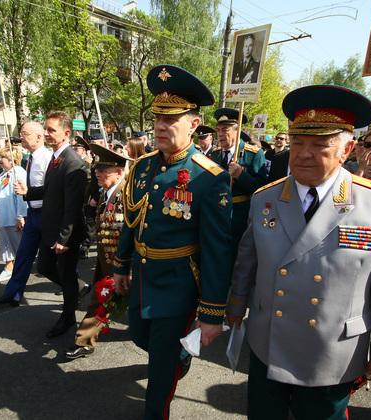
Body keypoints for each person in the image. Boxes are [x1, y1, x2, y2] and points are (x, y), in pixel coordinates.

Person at [226, 85, 371, 419]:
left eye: (319, 144)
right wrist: (236, 304)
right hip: (269, 339)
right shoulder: (265, 198)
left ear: (347, 149)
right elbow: (248, 260)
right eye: (298, 142)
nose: (303, 154)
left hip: (332, 350)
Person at [113, 65, 233, 419]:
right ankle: (180, 353)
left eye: (171, 120)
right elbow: (132, 220)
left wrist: (211, 311)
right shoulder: (142, 166)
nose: (160, 127)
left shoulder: (210, 178)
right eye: (157, 119)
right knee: (140, 337)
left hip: (180, 282)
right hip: (143, 276)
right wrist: (121, 265)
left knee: (160, 367)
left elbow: (217, 251)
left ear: (193, 124)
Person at [66, 143, 131, 359]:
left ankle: (169, 344)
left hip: (125, 264)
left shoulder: (128, 195)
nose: (98, 175)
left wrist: (128, 267)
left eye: (104, 171)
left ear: (119, 172)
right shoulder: (105, 192)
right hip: (106, 260)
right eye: (97, 170)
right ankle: (84, 341)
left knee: (143, 308)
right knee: (99, 298)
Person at [35, 111, 89, 338]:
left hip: (64, 233)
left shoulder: (73, 162)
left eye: (51, 130)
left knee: (66, 276)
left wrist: (64, 238)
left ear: (66, 133)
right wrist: (28, 192)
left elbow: (73, 206)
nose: (46, 134)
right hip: (51, 229)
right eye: (45, 129)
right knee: (44, 267)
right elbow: (52, 191)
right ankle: (78, 288)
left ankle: (68, 317)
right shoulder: (56, 157)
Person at [0, 121, 52, 306]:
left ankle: (76, 286)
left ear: (38, 137)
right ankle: (13, 293)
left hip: (47, 215)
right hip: (32, 214)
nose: (21, 136)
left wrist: (27, 194)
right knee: (23, 255)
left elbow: (52, 190)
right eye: (21, 133)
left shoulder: (48, 158)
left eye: (25, 133)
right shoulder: (30, 157)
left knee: (56, 260)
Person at [210, 108, 267, 263]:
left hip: (239, 217)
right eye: (218, 130)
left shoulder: (253, 154)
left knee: (237, 258)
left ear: (237, 131)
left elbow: (261, 188)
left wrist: (241, 175)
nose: (220, 134)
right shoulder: (214, 154)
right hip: (216, 214)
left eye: (225, 130)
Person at [0, 147, 27, 282]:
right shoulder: (5, 172)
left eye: (3, 158)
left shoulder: (19, 173)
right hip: (4, 213)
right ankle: (10, 268)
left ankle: (17, 270)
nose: (0, 160)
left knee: (17, 244)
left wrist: (20, 216)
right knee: (6, 243)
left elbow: (22, 197)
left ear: (12, 160)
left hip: (13, 215)